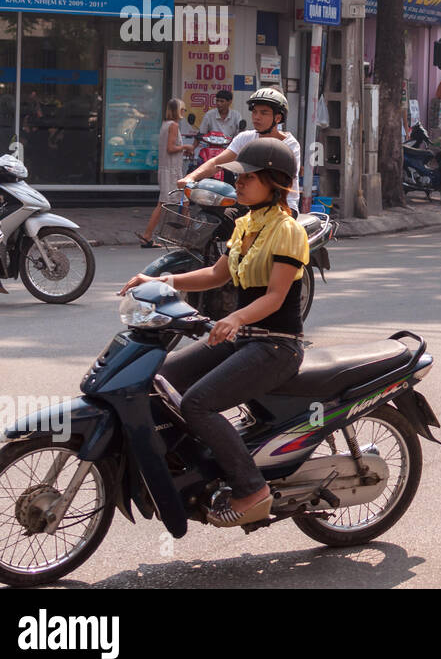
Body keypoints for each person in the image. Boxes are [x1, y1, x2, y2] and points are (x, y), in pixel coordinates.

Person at [119, 137, 308, 527]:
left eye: (248, 178)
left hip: (277, 346)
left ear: (274, 182)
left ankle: (252, 489)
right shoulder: (245, 224)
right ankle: (190, 467)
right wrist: (162, 279)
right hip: (242, 340)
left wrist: (236, 318)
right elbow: (216, 274)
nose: (238, 183)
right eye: (238, 176)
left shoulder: (288, 230)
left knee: (196, 404)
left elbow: (274, 297)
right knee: (159, 380)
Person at [181, 88, 301, 211]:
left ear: (277, 118)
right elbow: (217, 162)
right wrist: (191, 177)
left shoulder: (290, 145)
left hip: (281, 207)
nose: (256, 117)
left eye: (263, 113)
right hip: (250, 204)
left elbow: (283, 181)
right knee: (217, 216)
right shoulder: (245, 138)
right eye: (254, 112)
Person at [138, 98, 189, 248]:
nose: (184, 112)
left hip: (170, 169)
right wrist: (185, 146)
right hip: (171, 171)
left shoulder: (166, 125)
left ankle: (190, 237)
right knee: (163, 204)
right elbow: (170, 148)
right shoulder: (173, 125)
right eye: (183, 109)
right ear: (178, 111)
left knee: (184, 202)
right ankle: (147, 236)